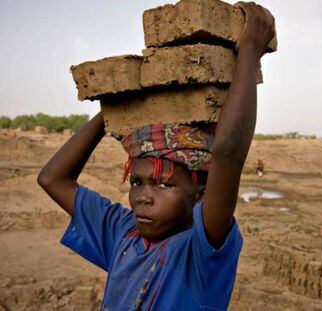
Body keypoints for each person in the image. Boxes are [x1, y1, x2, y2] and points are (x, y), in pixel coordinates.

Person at [37, 2, 275, 310]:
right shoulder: (123, 234)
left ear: (200, 190)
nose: (142, 198)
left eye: (164, 185)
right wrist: (114, 105)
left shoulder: (200, 251)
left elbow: (228, 152)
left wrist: (249, 50)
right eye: (137, 182)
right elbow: (51, 178)